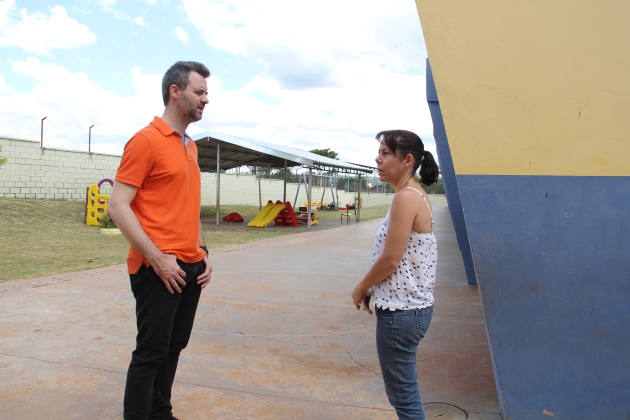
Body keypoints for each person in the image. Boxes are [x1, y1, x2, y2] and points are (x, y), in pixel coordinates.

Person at [108, 61, 212, 420]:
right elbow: (118, 207)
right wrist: (156, 258)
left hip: (191, 267)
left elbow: (189, 204)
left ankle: (161, 414)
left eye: (206, 93)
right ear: (175, 91)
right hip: (157, 268)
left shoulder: (190, 146)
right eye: (199, 92)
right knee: (151, 352)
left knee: (173, 348)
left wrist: (203, 251)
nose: (205, 99)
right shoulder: (145, 141)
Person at [351, 130, 440, 420]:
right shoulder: (415, 195)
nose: (377, 159)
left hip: (401, 313)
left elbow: (390, 259)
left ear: (407, 160)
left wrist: (361, 286)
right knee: (404, 392)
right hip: (411, 310)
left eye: (386, 153)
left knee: (403, 397)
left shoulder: (405, 198)